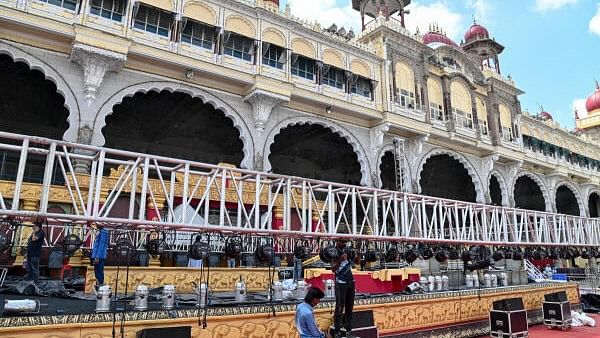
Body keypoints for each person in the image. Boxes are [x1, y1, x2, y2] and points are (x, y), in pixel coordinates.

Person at [332, 240, 356, 338]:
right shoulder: (333, 253)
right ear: (337, 242)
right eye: (342, 242)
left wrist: (357, 253)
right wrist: (340, 260)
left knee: (349, 308)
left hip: (350, 282)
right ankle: (337, 332)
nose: (344, 244)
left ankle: (348, 331)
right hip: (340, 283)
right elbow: (333, 269)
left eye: (345, 242)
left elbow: (357, 262)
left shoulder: (347, 251)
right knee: (339, 308)